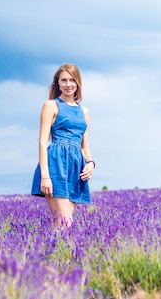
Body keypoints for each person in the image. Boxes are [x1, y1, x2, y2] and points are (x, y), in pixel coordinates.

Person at [31, 63, 95, 228]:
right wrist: (45, 176)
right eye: (64, 80)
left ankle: (52, 253)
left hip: (76, 167)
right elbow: (42, 141)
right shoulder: (51, 105)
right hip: (56, 165)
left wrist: (91, 163)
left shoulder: (84, 112)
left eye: (72, 80)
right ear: (57, 83)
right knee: (66, 223)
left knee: (62, 226)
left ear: (78, 83)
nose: (68, 84)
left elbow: (84, 146)